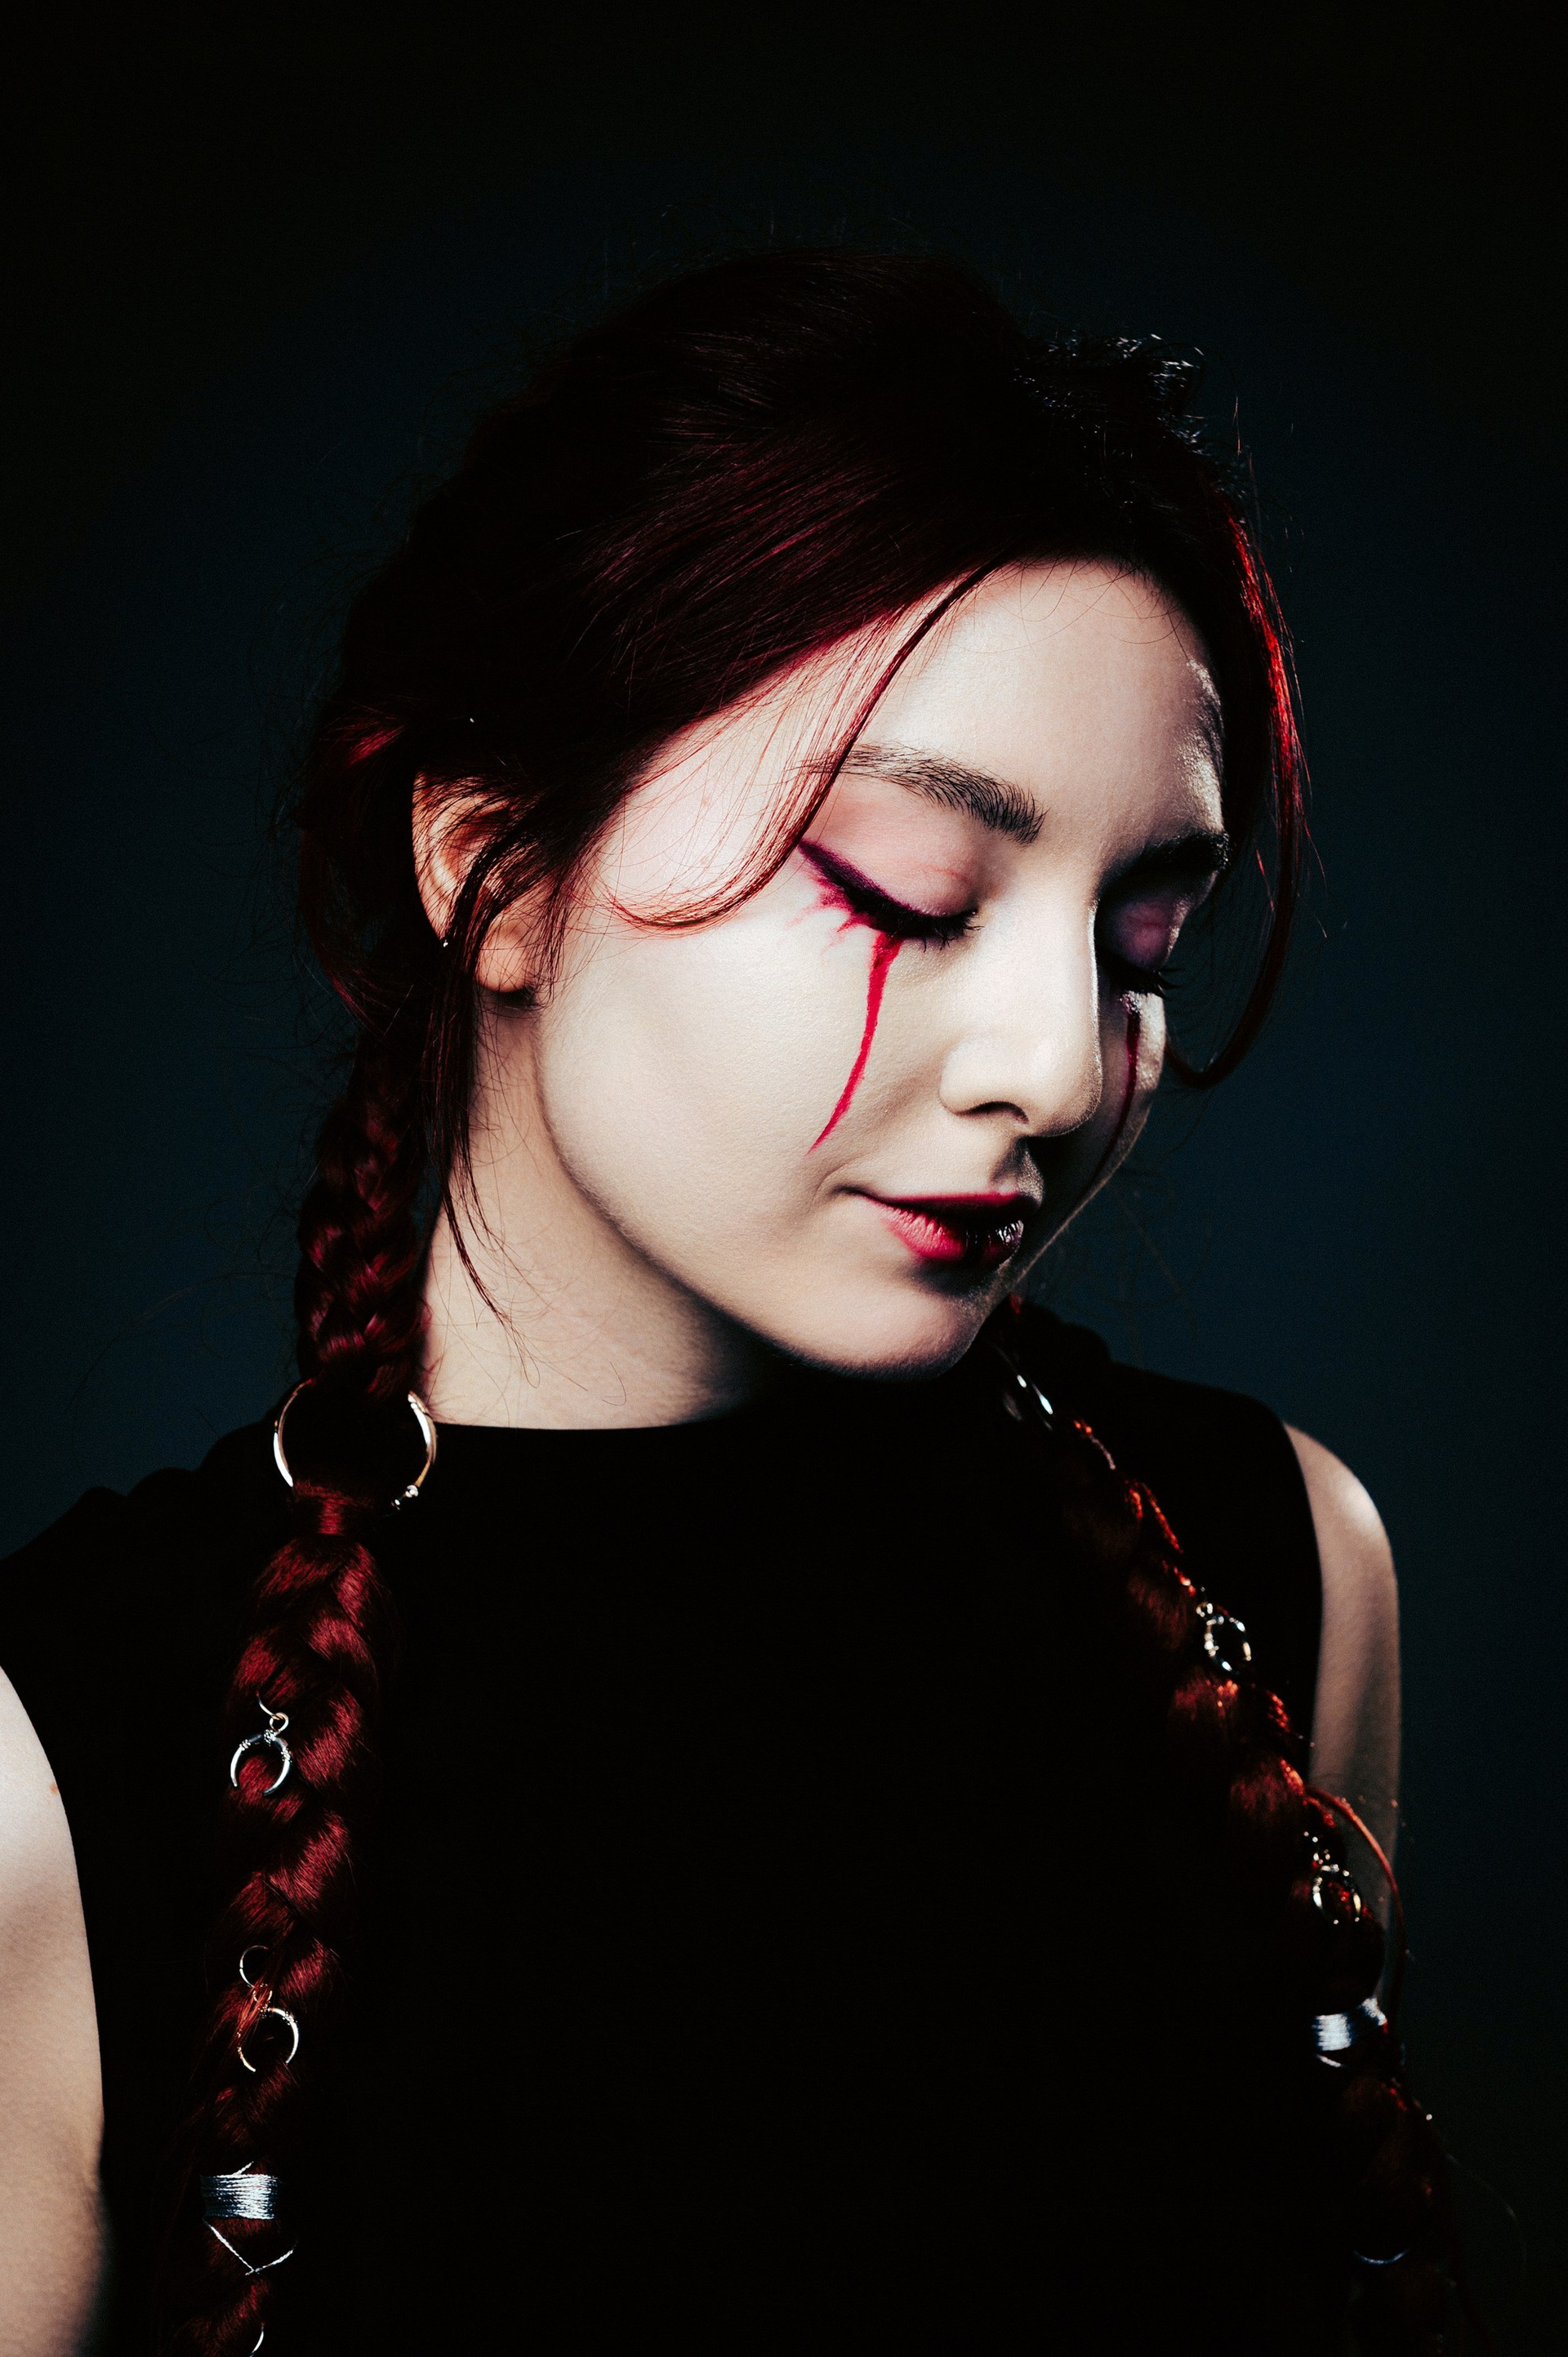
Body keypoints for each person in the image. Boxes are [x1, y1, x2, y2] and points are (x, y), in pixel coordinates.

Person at [0, 249, 1459, 2355]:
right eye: (906, 893)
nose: (1058, 1066)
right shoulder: (63, 1760)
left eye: (1141, 939)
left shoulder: (1278, 1569)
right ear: (490, 861)